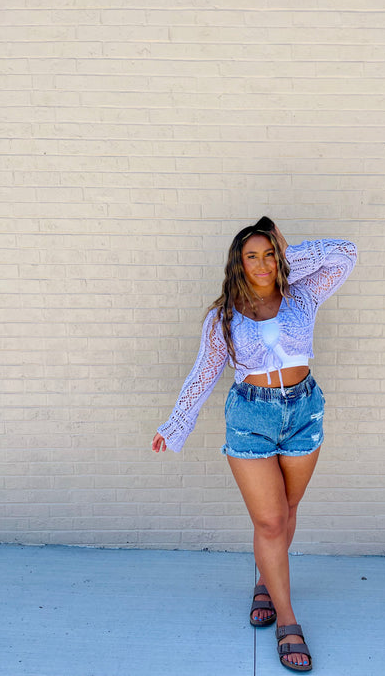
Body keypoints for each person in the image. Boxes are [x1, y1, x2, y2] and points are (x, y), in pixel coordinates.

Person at [152, 216, 357, 672]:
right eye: (253, 256)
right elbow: (204, 373)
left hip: (305, 410)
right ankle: (288, 621)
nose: (263, 264)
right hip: (251, 416)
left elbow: (346, 254)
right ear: (237, 263)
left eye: (269, 254)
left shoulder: (302, 295)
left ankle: (266, 582)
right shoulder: (222, 316)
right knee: (269, 522)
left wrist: (288, 255)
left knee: (287, 509)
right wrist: (176, 423)